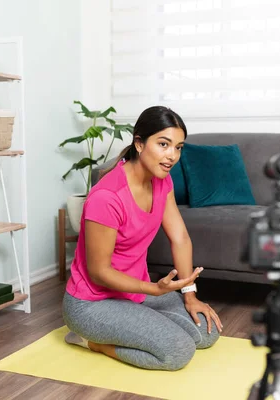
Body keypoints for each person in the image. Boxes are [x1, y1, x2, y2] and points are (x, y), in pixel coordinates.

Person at [62, 106, 223, 371]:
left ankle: (141, 324)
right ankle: (90, 341)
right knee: (177, 352)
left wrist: (190, 294)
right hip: (92, 303)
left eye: (178, 147)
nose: (172, 156)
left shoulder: (163, 181)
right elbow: (99, 271)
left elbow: (180, 237)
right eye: (163, 144)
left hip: (135, 294)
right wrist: (153, 289)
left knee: (206, 332)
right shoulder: (107, 197)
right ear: (139, 143)